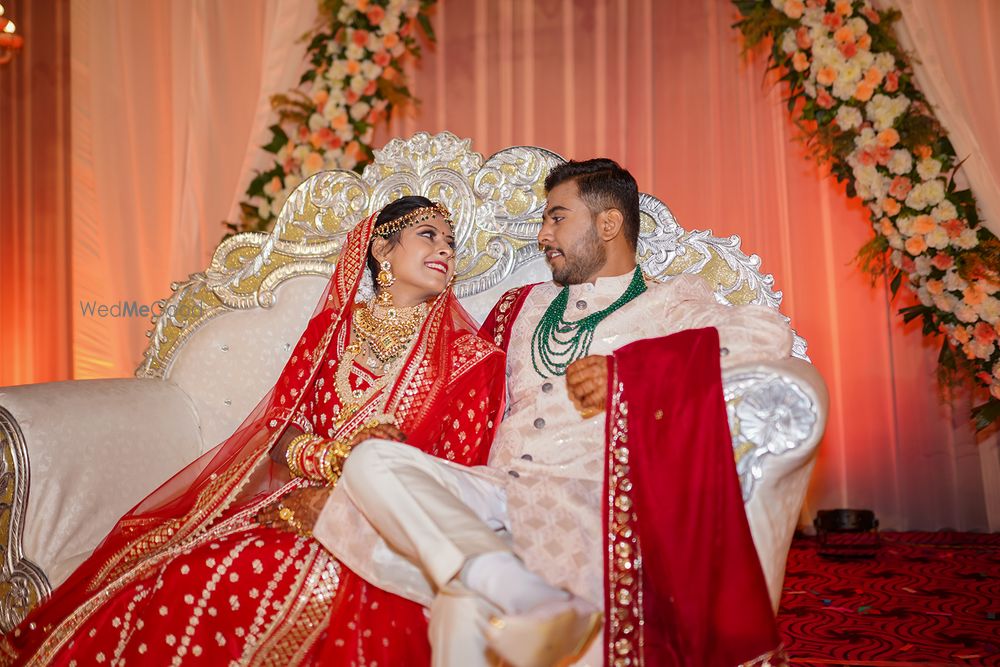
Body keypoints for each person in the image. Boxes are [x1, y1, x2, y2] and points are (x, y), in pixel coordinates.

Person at [313, 159, 794, 666]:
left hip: (584, 500)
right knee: (371, 463)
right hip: (494, 491)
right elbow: (455, 388)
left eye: (557, 218)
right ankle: (523, 590)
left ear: (608, 224)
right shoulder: (523, 305)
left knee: (462, 612)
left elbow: (767, 334)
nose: (543, 235)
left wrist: (630, 373)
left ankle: (511, 589)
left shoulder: (668, 303)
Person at [1, 197, 506, 666]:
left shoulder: (469, 360)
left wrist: (351, 502)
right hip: (292, 504)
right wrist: (326, 466)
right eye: (428, 234)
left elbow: (456, 472)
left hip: (387, 528)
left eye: (450, 241)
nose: (444, 248)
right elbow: (281, 434)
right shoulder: (329, 333)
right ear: (380, 249)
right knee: (178, 573)